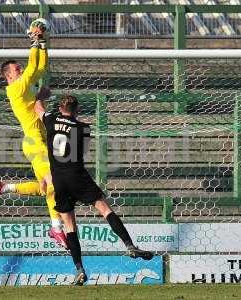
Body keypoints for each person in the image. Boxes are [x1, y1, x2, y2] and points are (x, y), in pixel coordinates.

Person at [35, 94, 154, 286]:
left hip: (59, 180)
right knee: (104, 209)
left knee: (69, 225)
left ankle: (80, 269)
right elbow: (81, 153)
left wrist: (40, 95)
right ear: (77, 110)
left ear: (60, 108)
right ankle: (129, 245)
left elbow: (37, 108)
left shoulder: (51, 119)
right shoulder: (83, 128)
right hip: (77, 176)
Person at [0, 19, 67, 249]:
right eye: (17, 70)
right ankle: (56, 228)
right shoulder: (16, 88)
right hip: (34, 142)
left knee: (46, 188)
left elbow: (40, 68)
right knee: (53, 185)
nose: (21, 71)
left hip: (41, 141)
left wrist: (42, 44)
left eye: (19, 69)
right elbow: (32, 69)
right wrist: (35, 41)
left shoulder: (26, 87)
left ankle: (6, 188)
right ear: (8, 76)